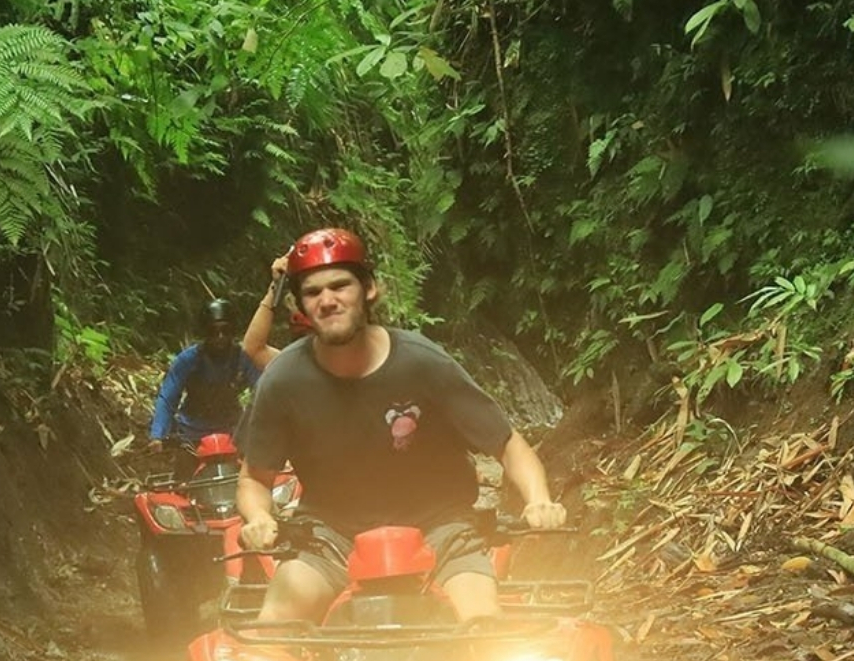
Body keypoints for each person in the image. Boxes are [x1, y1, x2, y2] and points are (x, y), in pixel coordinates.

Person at [236, 227, 566, 625]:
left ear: (369, 289)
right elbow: (255, 477)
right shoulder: (284, 378)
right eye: (313, 292)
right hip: (328, 537)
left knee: (483, 624)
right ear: (300, 306)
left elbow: (507, 444)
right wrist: (258, 517)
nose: (327, 300)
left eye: (340, 286)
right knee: (274, 624)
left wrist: (538, 499)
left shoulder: (423, 363)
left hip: (442, 531)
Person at [148, 298, 260, 477]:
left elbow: (262, 393)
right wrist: (157, 434)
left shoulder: (243, 358)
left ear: (233, 331)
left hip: (233, 433)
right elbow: (168, 398)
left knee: (251, 480)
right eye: (214, 331)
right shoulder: (187, 360)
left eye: (226, 330)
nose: (220, 337)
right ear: (204, 333)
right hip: (193, 435)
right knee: (182, 484)